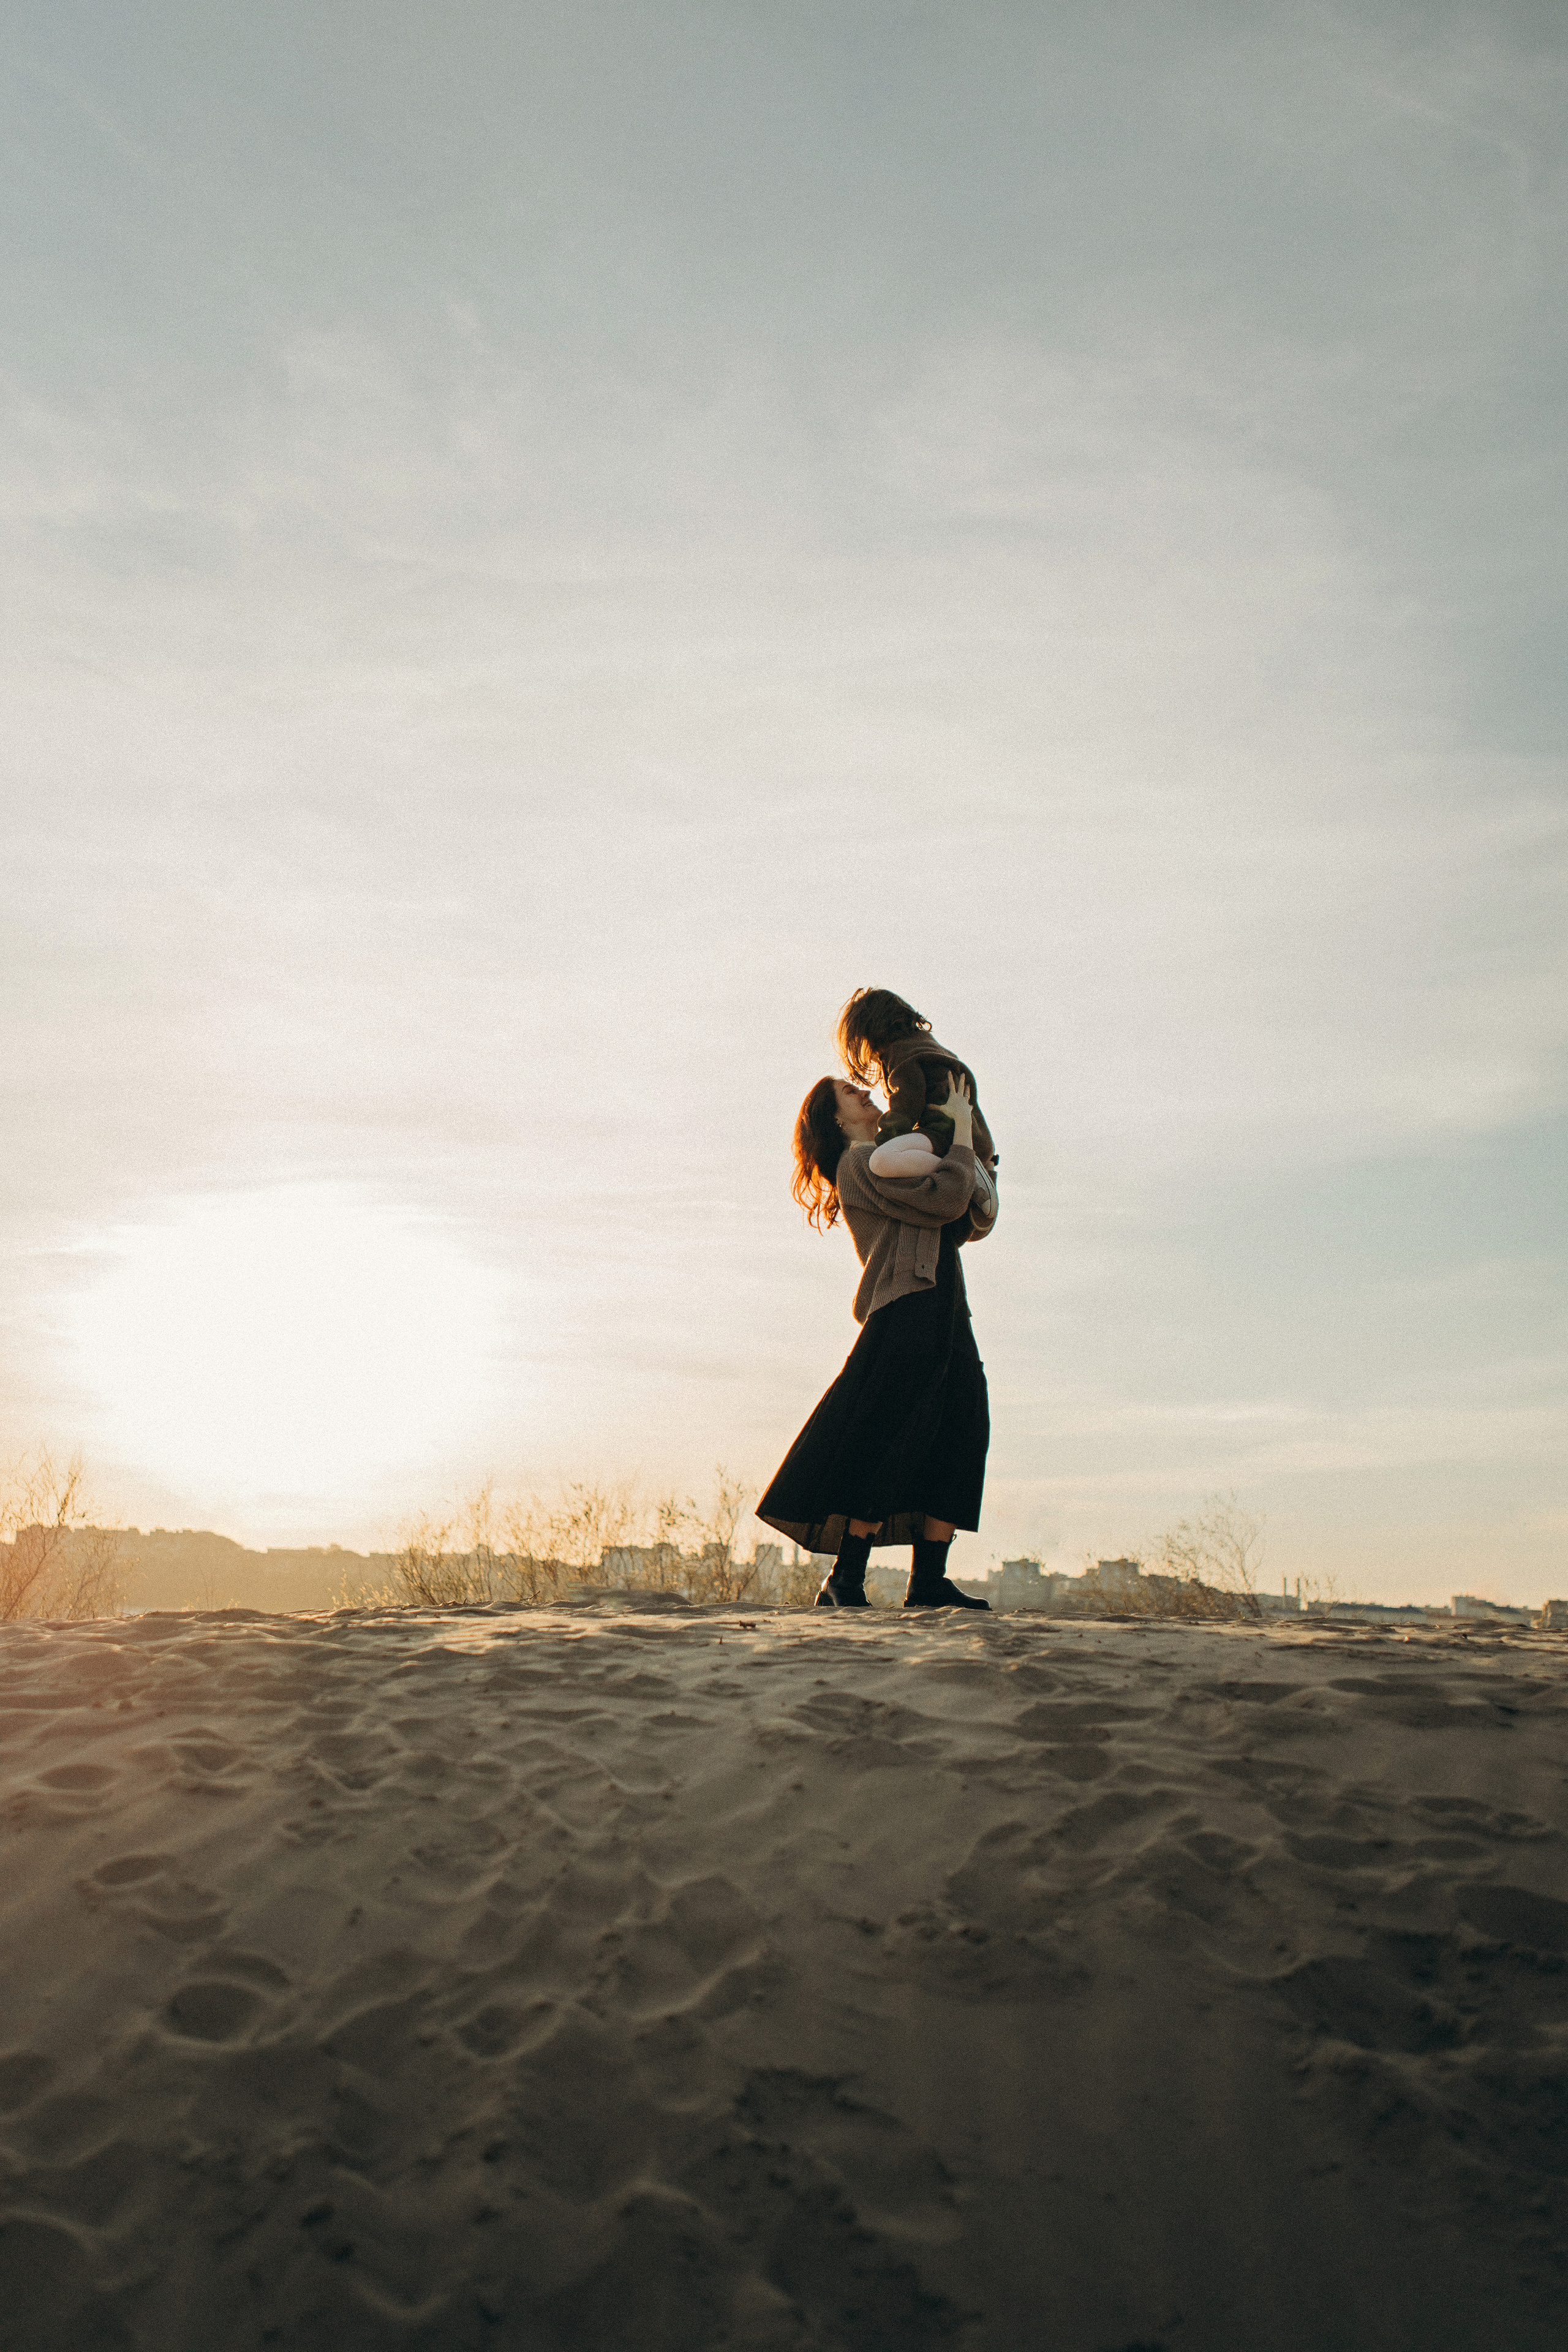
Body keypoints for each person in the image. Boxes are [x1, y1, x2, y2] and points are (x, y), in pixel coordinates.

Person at [756, 1068, 997, 1610]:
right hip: (907, 1306)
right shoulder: (860, 1163)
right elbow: (947, 1198)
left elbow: (958, 1214)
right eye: (849, 1093)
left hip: (944, 1299)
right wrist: (959, 1132)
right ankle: (846, 1577)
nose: (863, 1092)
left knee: (962, 1426)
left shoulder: (893, 1159)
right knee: (893, 1433)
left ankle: (929, 1581)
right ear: (835, 1119)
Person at [837, 986, 997, 1165]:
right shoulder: (928, 1045)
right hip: (977, 1138)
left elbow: (907, 1102)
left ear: (873, 1033)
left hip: (943, 1135)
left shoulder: (903, 1054)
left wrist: (880, 1141)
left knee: (883, 1158)